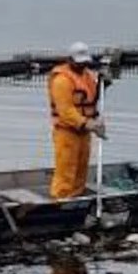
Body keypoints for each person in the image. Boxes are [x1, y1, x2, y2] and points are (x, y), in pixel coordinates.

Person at [47, 42, 106, 200]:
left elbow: (91, 98)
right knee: (66, 171)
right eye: (78, 62)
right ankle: (60, 200)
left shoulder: (87, 76)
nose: (82, 65)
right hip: (67, 133)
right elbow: (66, 112)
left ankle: (77, 197)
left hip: (84, 133)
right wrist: (88, 124)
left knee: (81, 170)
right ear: (70, 60)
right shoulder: (61, 81)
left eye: (84, 62)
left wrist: (103, 84)